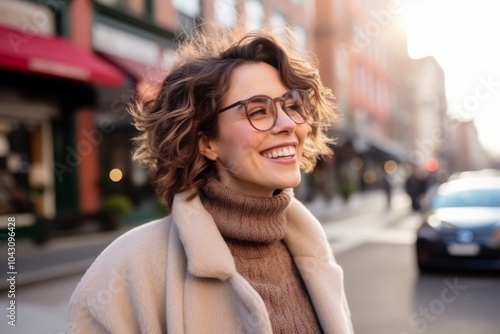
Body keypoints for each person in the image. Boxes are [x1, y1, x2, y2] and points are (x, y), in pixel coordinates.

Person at [68, 26, 353, 334]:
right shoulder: (129, 268)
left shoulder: (312, 250)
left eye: (292, 105)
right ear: (206, 142)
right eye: (258, 111)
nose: (287, 123)